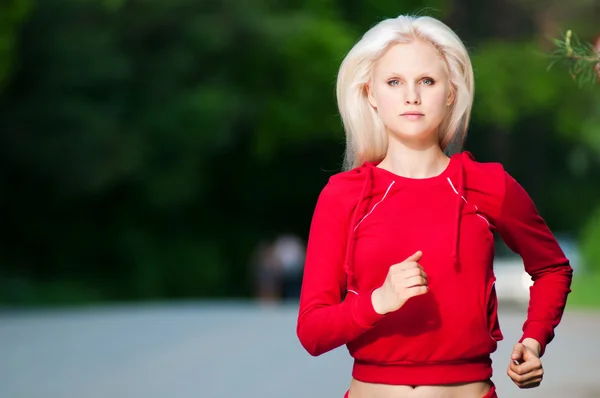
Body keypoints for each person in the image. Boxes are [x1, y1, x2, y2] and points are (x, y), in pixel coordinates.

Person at [295, 14, 573, 398]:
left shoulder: (489, 184)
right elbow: (312, 332)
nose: (412, 95)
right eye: (394, 82)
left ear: (451, 93)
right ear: (371, 94)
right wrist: (378, 301)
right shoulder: (343, 195)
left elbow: (552, 268)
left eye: (427, 81)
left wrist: (534, 339)